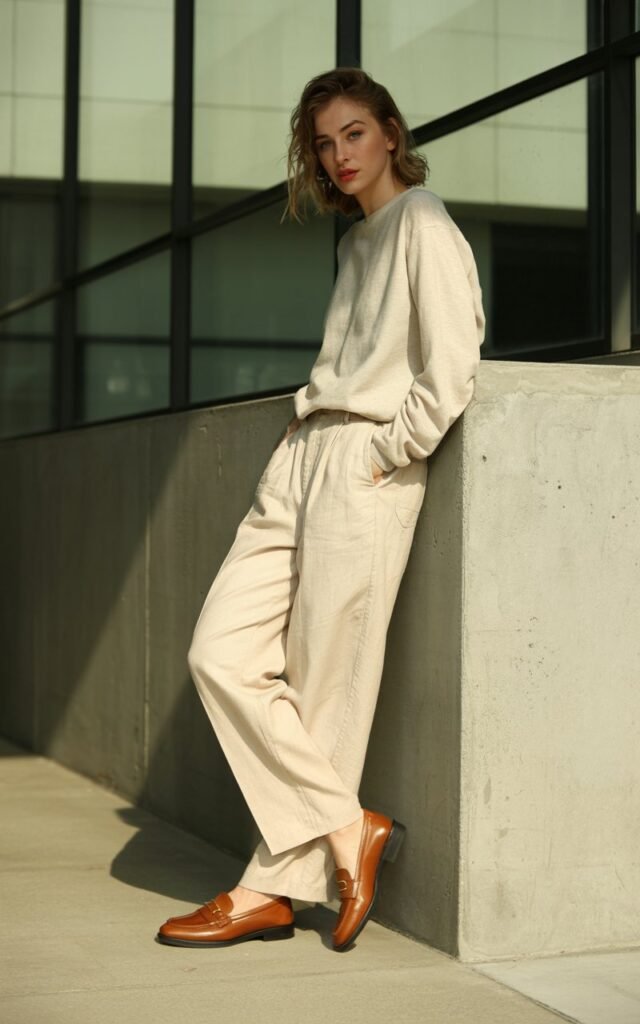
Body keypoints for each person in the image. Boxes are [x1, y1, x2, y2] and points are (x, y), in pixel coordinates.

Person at [157, 67, 485, 952]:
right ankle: (348, 829)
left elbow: (452, 364)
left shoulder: (424, 222)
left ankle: (268, 889)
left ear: (389, 132)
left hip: (363, 463)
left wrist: (385, 452)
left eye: (352, 134)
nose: (338, 155)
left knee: (325, 685)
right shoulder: (357, 242)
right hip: (302, 455)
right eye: (323, 142)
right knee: (220, 651)